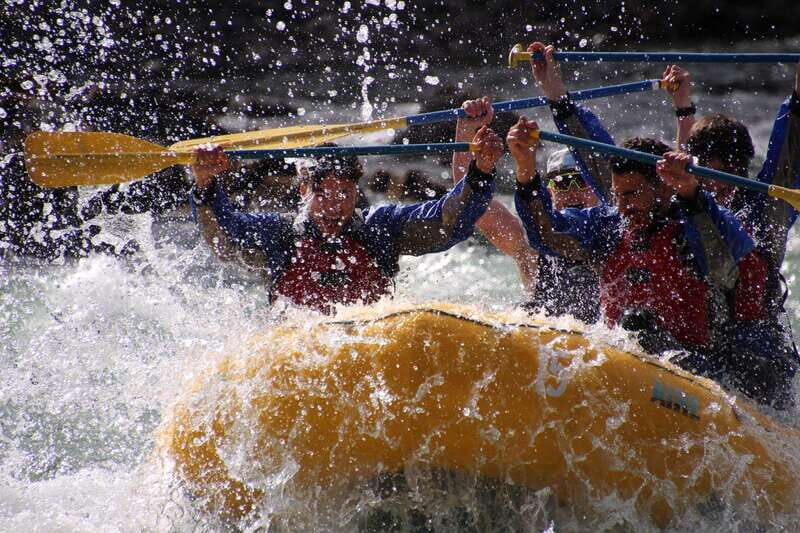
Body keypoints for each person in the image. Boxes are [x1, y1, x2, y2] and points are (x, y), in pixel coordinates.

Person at [189, 127, 504, 314]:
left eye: (343, 192)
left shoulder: (379, 227)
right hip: (299, 355)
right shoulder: (279, 233)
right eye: (322, 193)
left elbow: (445, 222)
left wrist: (481, 172)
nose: (334, 205)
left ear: (357, 192)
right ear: (303, 190)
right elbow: (223, 239)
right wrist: (204, 185)